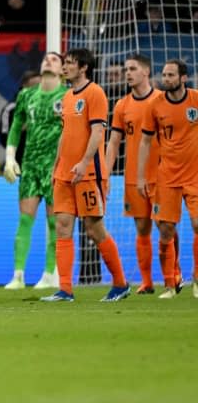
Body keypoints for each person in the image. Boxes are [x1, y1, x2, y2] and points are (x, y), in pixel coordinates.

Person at [41, 48, 130, 302]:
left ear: (83, 68)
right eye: (65, 63)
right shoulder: (67, 97)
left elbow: (97, 133)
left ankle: (121, 284)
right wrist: (56, 165)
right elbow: (65, 134)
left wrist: (83, 162)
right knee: (62, 226)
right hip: (64, 174)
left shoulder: (95, 93)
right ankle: (65, 290)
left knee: (94, 228)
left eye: (69, 63)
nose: (65, 67)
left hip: (89, 173)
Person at [105, 55, 181, 295]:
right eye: (126, 69)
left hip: (162, 175)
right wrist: (105, 173)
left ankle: (174, 272)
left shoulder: (162, 100)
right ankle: (147, 282)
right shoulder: (121, 105)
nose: (128, 73)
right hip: (133, 176)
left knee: (165, 226)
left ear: (146, 71)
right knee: (142, 227)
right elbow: (114, 141)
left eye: (133, 69)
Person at [2, 53, 67, 290]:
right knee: (25, 219)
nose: (48, 61)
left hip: (56, 168)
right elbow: (16, 127)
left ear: (62, 70)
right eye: (45, 59)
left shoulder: (67, 96)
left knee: (54, 223)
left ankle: (50, 273)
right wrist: (10, 159)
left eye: (54, 59)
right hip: (30, 166)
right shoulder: (26, 95)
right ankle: (18, 275)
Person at [138, 59, 198, 299]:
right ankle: (170, 285)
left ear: (183, 78)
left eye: (171, 75)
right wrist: (141, 176)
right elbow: (144, 141)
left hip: (195, 175)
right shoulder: (155, 105)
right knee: (165, 230)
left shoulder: (195, 99)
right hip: (166, 177)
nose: (166, 78)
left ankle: (197, 280)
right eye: (164, 74)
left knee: (197, 224)